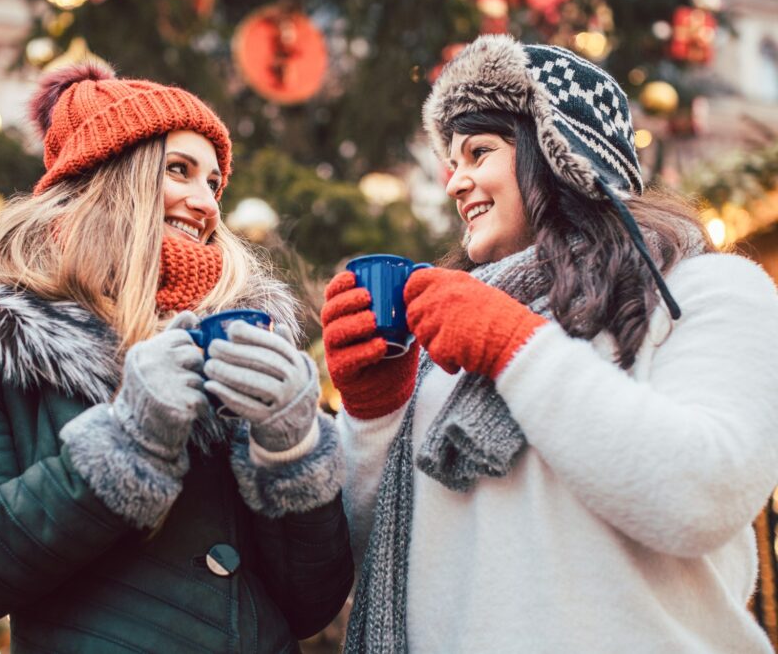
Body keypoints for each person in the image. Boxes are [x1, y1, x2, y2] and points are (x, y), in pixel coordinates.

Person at [323, 35, 778, 653]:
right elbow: (384, 558)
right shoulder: (446, 343)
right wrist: (373, 417)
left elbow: (701, 493)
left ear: (560, 153)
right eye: (451, 162)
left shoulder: (706, 289)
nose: (457, 182)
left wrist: (515, 347)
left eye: (479, 152)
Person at [0, 63, 353, 653]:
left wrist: (293, 448)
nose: (206, 204)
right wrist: (127, 442)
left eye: (213, 183)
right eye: (179, 170)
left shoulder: (248, 340)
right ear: (110, 178)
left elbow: (310, 605)